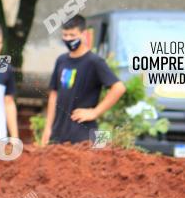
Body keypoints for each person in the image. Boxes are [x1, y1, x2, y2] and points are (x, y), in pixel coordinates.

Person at [40, 15, 126, 145]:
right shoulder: (61, 60)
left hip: (84, 135)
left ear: (83, 34)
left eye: (72, 35)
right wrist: (48, 128)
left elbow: (119, 88)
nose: (68, 39)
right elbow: (54, 94)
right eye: (65, 35)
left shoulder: (94, 61)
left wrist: (95, 112)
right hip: (58, 134)